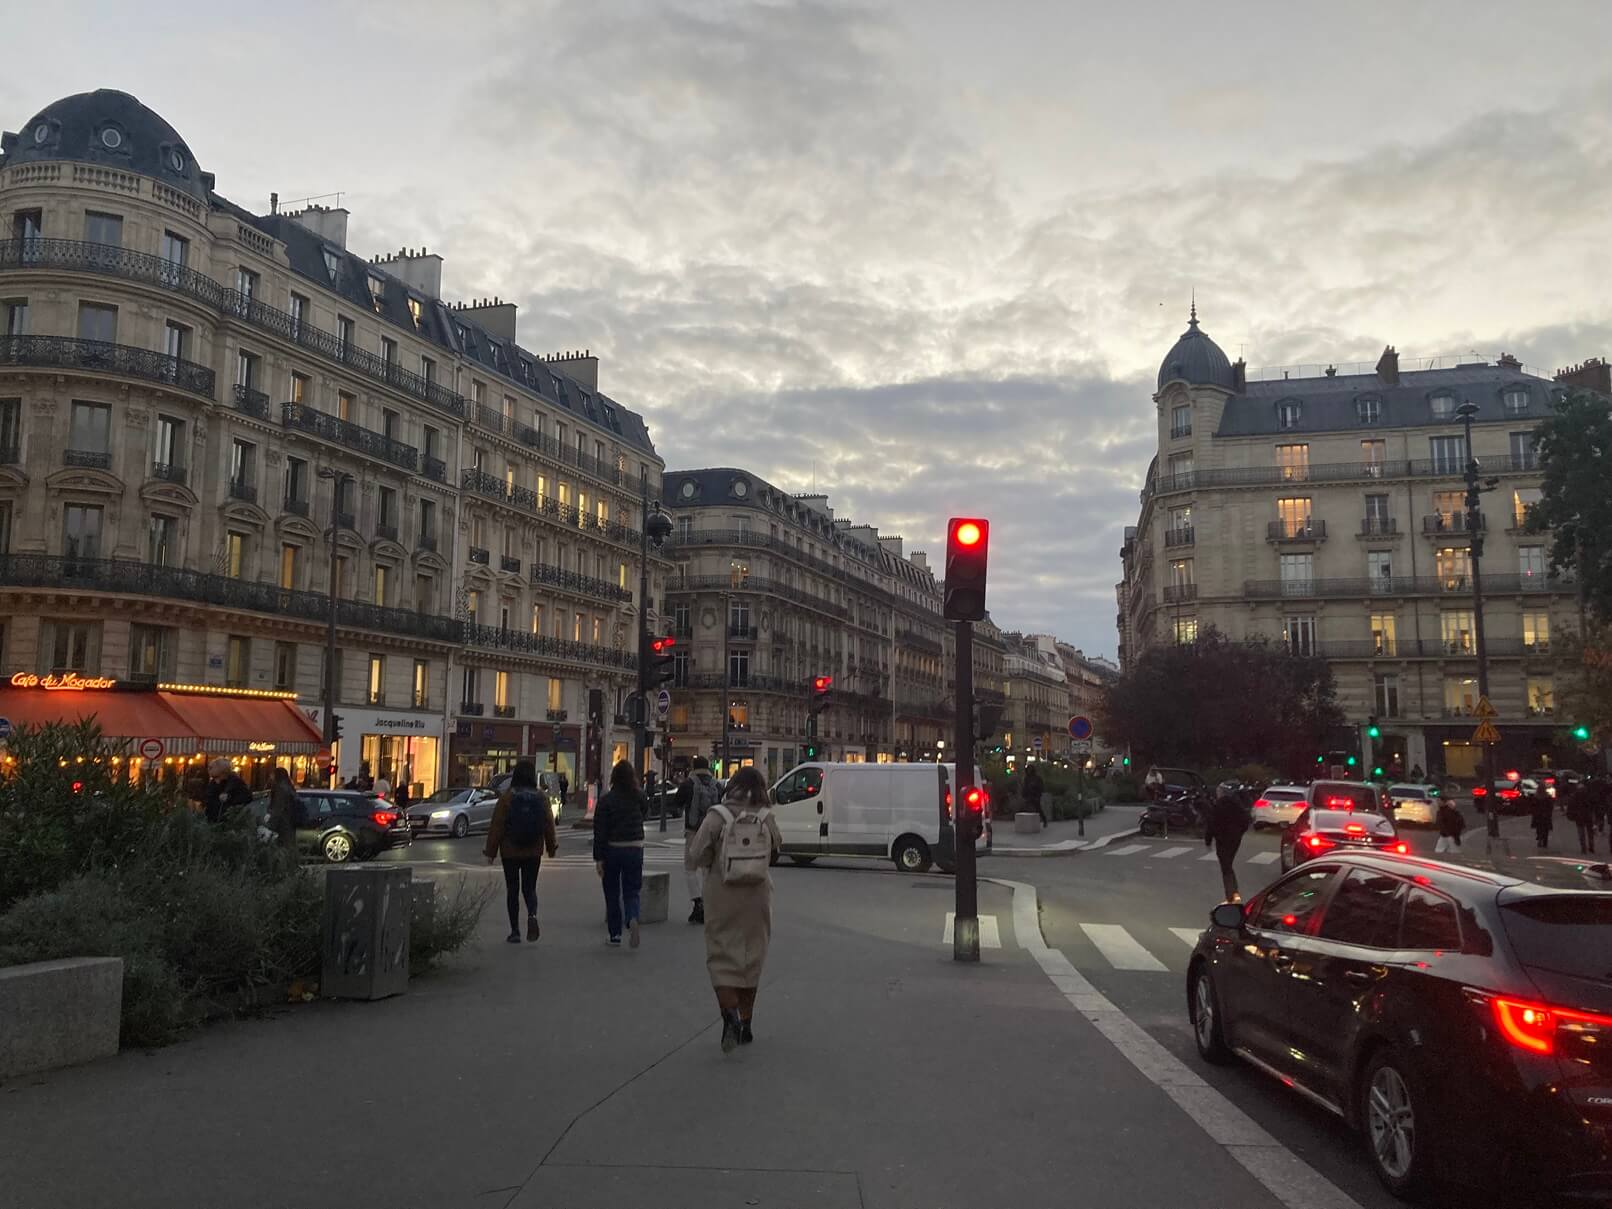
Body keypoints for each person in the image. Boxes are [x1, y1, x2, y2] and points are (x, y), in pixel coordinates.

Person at [685, 766, 782, 1052]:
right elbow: (776, 848)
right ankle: (747, 1022)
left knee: (721, 956)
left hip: (721, 893)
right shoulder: (765, 816)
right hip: (757, 895)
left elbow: (697, 854)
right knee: (752, 957)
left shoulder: (717, 816)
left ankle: (729, 1018)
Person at [484, 759, 559, 944]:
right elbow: (549, 824)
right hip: (533, 850)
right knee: (530, 887)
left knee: (512, 889)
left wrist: (491, 852)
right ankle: (532, 915)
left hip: (510, 851)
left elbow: (497, 826)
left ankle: (515, 931)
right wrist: (551, 847)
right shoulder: (541, 797)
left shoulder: (507, 797)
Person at [593, 760, 648, 947]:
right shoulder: (639, 796)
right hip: (635, 846)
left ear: (613, 778)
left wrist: (599, 858)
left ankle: (615, 934)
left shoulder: (606, 800)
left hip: (612, 848)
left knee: (612, 891)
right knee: (632, 890)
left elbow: (599, 831)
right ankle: (632, 917)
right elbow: (644, 814)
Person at [676, 757, 722, 923]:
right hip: (712, 832)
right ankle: (706, 901)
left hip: (693, 831)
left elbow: (677, 802)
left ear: (694, 767)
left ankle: (697, 902)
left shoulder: (689, 783)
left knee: (690, 868)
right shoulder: (716, 784)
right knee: (707, 869)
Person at [1204, 781, 1251, 902]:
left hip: (1222, 839)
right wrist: (1240, 832)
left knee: (1226, 867)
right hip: (1235, 839)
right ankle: (1233, 892)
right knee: (1228, 864)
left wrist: (1208, 839)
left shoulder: (1218, 805)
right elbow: (1246, 820)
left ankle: (1231, 894)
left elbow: (1211, 823)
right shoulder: (1236, 805)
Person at [203, 758, 251, 823]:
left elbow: (246, 798)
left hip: (229, 821)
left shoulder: (235, 782)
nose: (208, 769)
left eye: (212, 767)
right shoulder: (212, 784)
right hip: (212, 820)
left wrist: (229, 799)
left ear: (221, 769)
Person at [266, 766, 301, 849]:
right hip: (290, 821)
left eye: (272, 774)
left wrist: (271, 824)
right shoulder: (289, 787)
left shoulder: (279, 788)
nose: (271, 776)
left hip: (283, 823)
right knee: (289, 844)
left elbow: (278, 807)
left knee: (282, 846)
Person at [1563, 782, 1595, 855]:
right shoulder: (1589, 795)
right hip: (1588, 816)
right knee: (1590, 832)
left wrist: (1570, 815)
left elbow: (1571, 806)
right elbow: (1593, 804)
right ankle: (1591, 846)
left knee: (1581, 833)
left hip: (1579, 816)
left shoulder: (1574, 796)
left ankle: (1583, 848)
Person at [1530, 784, 1554, 850]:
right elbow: (1550, 806)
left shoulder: (1536, 796)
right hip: (1545, 815)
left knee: (1539, 828)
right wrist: (1549, 813)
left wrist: (1534, 813)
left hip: (1538, 815)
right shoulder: (1548, 796)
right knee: (1545, 829)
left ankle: (1539, 838)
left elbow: (1533, 806)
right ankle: (1545, 842)